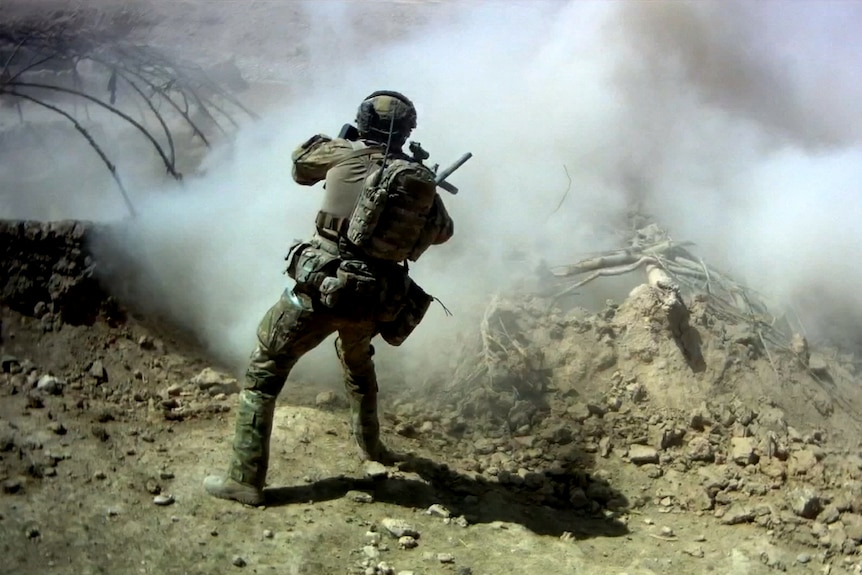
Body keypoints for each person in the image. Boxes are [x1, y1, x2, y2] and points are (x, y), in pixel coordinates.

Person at [204, 90, 454, 505]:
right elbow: (443, 232)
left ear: (362, 122)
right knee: (358, 366)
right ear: (408, 131)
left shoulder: (343, 154)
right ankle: (373, 450)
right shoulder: (416, 179)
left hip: (323, 288)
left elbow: (300, 168)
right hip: (375, 298)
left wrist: (347, 146)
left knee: (264, 370)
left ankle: (244, 480)